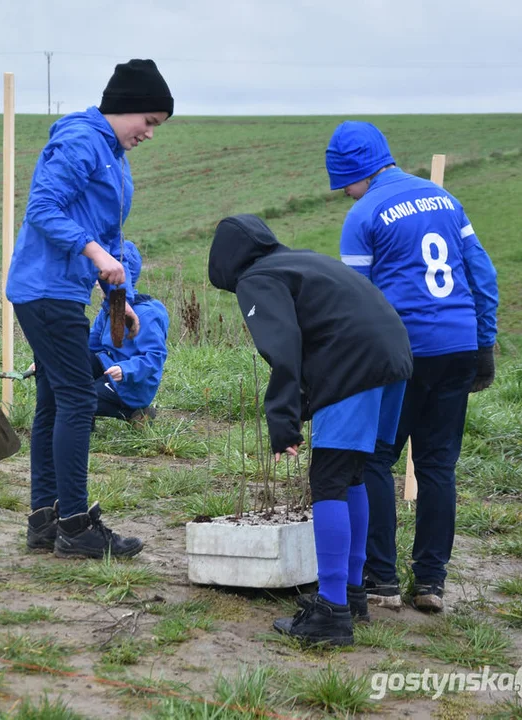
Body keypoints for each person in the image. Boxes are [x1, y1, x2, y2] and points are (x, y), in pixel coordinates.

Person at [207, 214, 412, 646]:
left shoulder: (256, 278)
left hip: (354, 362)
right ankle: (352, 594)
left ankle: (331, 612)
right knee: (352, 473)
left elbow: (282, 347)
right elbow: (318, 331)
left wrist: (282, 419)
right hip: (392, 356)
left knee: (329, 480)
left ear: (226, 265)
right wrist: (302, 404)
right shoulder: (300, 260)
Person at [326, 121, 499, 613]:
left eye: (344, 184)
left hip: (401, 353)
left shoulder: (363, 214)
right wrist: (484, 342)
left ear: (356, 174)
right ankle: (431, 583)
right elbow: (481, 272)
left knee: (377, 459)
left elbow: (358, 303)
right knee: (438, 466)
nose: (344, 194)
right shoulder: (443, 199)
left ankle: (380, 580)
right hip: (459, 346)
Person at [7, 58, 173, 559]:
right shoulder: (82, 141)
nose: (149, 133)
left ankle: (45, 521)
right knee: (78, 399)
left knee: (57, 401)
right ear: (127, 108)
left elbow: (105, 233)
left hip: (60, 289)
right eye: (149, 122)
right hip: (45, 288)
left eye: (156, 127)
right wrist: (96, 253)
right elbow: (42, 208)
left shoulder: (110, 152)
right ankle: (76, 526)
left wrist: (118, 302)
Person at [88, 241, 169, 426]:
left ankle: (135, 412)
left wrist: (126, 369)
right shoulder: (109, 309)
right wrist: (56, 359)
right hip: (108, 368)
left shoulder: (147, 314)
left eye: (104, 276)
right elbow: (91, 343)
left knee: (80, 399)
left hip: (131, 384)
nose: (97, 283)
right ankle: (85, 421)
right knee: (69, 378)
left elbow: (155, 357)